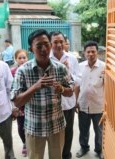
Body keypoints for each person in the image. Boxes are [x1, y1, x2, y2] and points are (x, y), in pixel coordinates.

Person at [10, 29, 73, 159]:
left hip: (57, 125)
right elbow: (16, 101)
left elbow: (70, 91)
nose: (44, 49)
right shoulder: (22, 71)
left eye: (46, 44)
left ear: (50, 45)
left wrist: (61, 88)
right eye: (39, 46)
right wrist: (35, 87)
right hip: (34, 127)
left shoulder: (60, 68)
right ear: (31, 49)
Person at [49, 31, 80, 159]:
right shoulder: (46, 59)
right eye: (55, 42)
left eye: (61, 41)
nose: (59, 45)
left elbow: (78, 80)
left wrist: (67, 71)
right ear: (50, 44)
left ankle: (66, 155)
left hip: (68, 104)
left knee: (68, 132)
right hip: (52, 104)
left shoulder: (71, 58)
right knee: (54, 134)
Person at [76, 41, 105, 159]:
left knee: (99, 131)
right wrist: (75, 101)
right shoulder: (80, 67)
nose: (91, 54)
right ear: (84, 53)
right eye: (88, 52)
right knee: (83, 129)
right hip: (83, 104)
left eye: (93, 51)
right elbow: (77, 85)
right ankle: (84, 147)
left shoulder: (104, 67)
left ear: (97, 52)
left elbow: (107, 86)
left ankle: (99, 150)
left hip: (98, 105)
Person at [10, 49, 28, 157]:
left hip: (30, 104)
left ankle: (30, 143)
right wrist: (13, 106)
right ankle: (25, 143)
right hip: (19, 105)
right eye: (19, 58)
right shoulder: (12, 72)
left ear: (27, 58)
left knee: (31, 126)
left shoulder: (31, 70)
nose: (22, 60)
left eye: (24, 57)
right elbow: (10, 89)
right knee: (21, 127)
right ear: (16, 59)